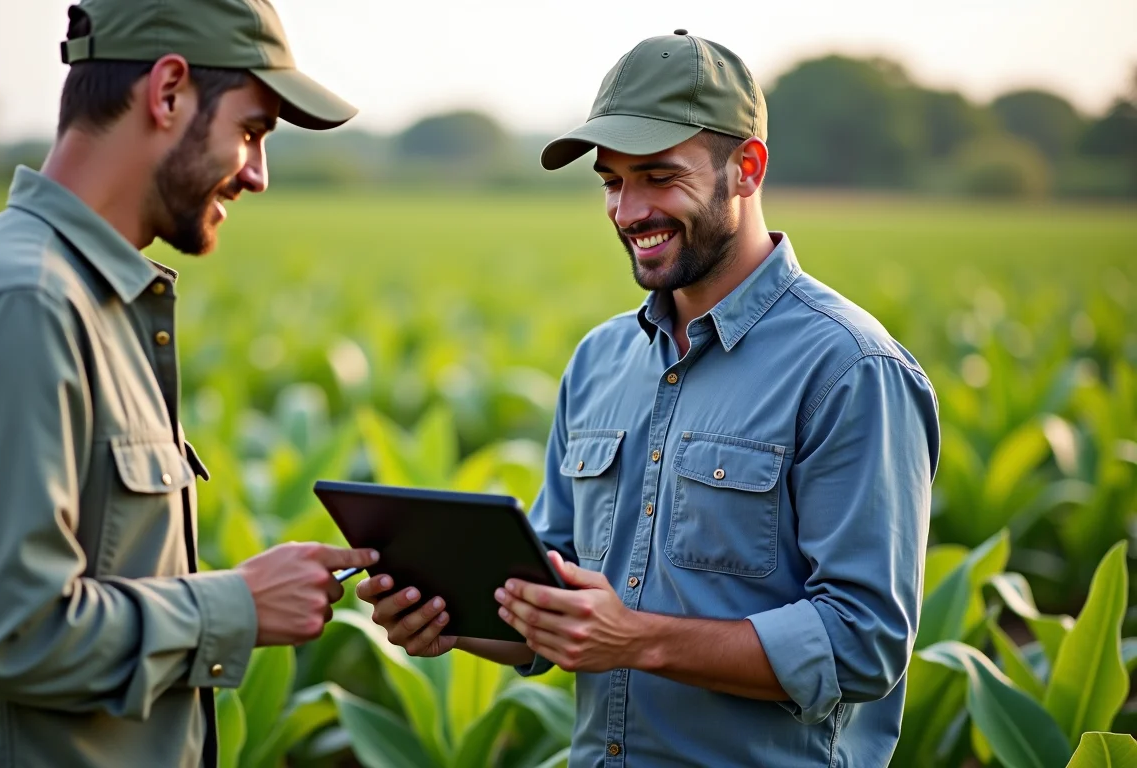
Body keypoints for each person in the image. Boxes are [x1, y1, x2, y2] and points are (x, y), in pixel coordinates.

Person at [357, 30, 941, 767]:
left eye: (659, 177)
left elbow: (863, 644)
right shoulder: (601, 359)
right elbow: (557, 592)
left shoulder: (850, 368)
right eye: (611, 181)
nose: (628, 210)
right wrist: (445, 616)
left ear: (747, 169)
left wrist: (636, 638)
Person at [0, 1, 378, 765]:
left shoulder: (85, 296)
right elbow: (10, 634)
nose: (258, 175)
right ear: (168, 91)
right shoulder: (27, 304)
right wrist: (236, 605)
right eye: (251, 131)